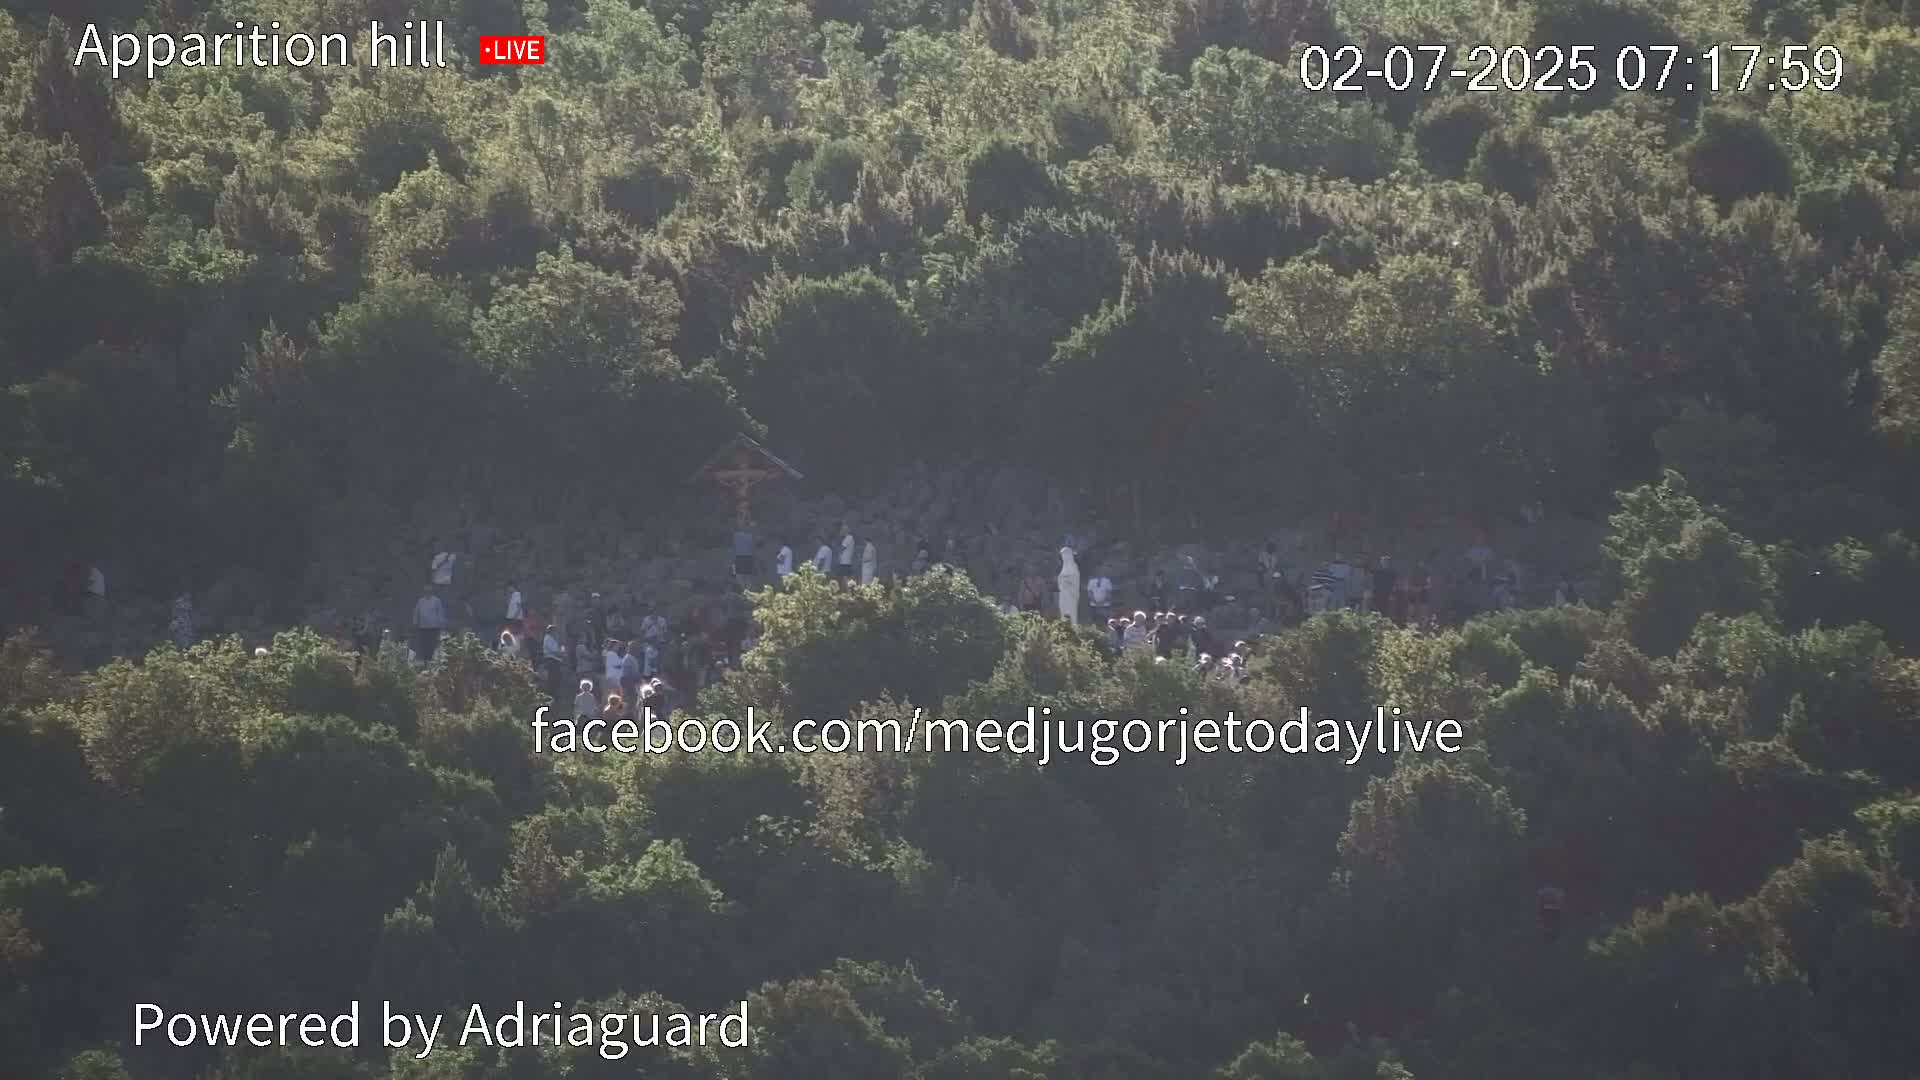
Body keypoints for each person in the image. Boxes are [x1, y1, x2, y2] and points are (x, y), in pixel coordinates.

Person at [413, 587, 448, 662]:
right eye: (426, 591)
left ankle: (431, 659)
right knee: (424, 644)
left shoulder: (436, 600)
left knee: (432, 644)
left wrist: (442, 625)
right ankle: (425, 659)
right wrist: (415, 622)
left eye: (429, 591)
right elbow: (417, 612)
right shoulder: (420, 601)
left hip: (433, 627)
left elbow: (440, 613)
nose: (427, 592)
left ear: (431, 591)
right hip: (423, 626)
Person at [1057, 548, 1081, 626]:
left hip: (1071, 594)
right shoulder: (1063, 567)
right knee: (1063, 612)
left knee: (1071, 612)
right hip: (1063, 593)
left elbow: (1075, 580)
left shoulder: (1074, 566)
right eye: (1062, 555)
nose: (1063, 557)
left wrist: (1066, 581)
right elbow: (1060, 580)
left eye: (1065, 555)